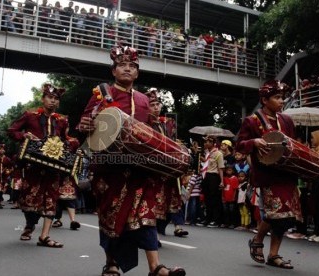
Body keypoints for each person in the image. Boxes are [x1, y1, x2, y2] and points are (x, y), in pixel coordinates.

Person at [77, 46, 186, 276]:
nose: (127, 68)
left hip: (140, 167)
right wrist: (86, 125)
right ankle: (111, 263)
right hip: (110, 167)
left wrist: (169, 150)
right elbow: (87, 123)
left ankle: (155, 267)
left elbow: (150, 132)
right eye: (122, 65)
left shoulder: (144, 99)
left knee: (145, 215)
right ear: (114, 70)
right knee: (111, 215)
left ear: (137, 73)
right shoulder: (102, 93)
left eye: (132, 66)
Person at [236, 80, 301, 269]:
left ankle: (273, 254)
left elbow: (292, 145)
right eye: (277, 97)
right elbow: (240, 145)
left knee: (287, 216)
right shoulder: (252, 120)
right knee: (276, 214)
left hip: (287, 173)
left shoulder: (286, 120)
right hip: (267, 175)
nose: (282, 101)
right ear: (264, 100)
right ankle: (258, 240)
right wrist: (254, 142)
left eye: (282, 97)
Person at [7, 83, 79, 248]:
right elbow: (12, 131)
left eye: (56, 99)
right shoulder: (29, 115)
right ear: (43, 98)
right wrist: (25, 136)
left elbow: (65, 138)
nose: (53, 101)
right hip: (33, 165)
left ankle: (44, 236)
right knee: (30, 199)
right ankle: (30, 225)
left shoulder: (61, 120)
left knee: (51, 199)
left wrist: (73, 143)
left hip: (53, 167)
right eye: (50, 97)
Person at [146, 88, 189, 239]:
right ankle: (154, 234)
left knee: (172, 199)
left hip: (168, 167)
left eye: (158, 104)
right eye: (152, 104)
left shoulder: (166, 124)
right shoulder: (144, 123)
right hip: (153, 167)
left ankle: (171, 228)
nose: (156, 107)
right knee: (156, 200)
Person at [199, 135, 224, 228]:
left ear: (213, 143)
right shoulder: (207, 153)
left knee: (215, 199)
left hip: (214, 176)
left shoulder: (218, 153)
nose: (206, 143)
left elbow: (221, 168)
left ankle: (216, 220)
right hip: (207, 176)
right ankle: (207, 218)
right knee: (207, 198)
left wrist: (222, 181)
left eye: (208, 142)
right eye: (205, 142)